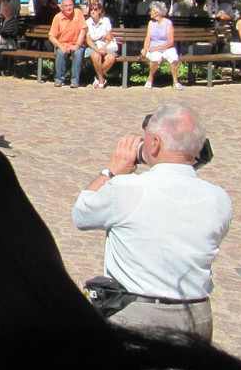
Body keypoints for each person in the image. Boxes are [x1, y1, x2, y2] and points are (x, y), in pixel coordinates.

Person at [72, 103, 232, 345]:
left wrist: (111, 171)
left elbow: (82, 214)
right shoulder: (219, 198)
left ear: (155, 144)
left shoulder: (127, 189)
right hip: (196, 316)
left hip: (139, 315)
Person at [141, 1, 182, 89]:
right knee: (155, 58)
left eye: (152, 10)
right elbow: (148, 38)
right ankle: (150, 77)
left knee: (174, 58)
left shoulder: (168, 23)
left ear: (157, 13)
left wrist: (158, 48)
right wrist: (145, 49)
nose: (150, 12)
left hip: (167, 47)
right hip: (153, 47)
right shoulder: (151, 23)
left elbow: (170, 42)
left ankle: (175, 81)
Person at [49, 0, 87, 88]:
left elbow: (83, 29)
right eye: (66, 6)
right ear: (61, 8)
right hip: (63, 44)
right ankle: (59, 79)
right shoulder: (57, 17)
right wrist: (61, 46)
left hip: (76, 44)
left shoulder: (78, 13)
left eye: (71, 5)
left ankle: (75, 81)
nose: (69, 8)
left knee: (78, 53)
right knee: (60, 53)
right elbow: (51, 36)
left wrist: (77, 45)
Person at [85, 0, 118, 90]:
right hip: (93, 45)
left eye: (95, 9)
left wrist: (104, 46)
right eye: (91, 9)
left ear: (100, 11)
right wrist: (97, 49)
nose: (93, 11)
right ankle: (101, 81)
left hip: (105, 44)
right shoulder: (87, 22)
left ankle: (98, 77)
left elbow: (109, 37)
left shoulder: (106, 20)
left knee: (111, 58)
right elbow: (89, 40)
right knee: (96, 57)